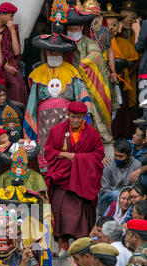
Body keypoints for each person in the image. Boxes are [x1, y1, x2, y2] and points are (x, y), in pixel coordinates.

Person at [24, 17, 93, 160]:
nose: (54, 54)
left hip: (67, 120)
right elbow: (31, 105)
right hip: (44, 123)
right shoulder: (38, 73)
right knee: (47, 154)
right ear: (45, 52)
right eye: (50, 51)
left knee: (67, 152)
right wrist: (28, 134)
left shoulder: (72, 72)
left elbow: (82, 97)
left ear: (63, 53)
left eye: (57, 51)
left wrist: (86, 118)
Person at [42, 101, 104, 257]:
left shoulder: (92, 134)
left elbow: (98, 155)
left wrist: (76, 158)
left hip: (83, 180)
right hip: (62, 178)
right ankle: (63, 246)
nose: (76, 121)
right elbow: (49, 151)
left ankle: (81, 247)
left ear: (85, 117)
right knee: (60, 211)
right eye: (74, 117)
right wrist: (64, 155)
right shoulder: (57, 131)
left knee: (81, 215)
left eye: (80, 118)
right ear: (68, 115)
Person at [64, 0, 113, 143]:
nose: (73, 32)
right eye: (70, 30)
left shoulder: (87, 42)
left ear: (81, 27)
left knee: (90, 109)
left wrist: (81, 66)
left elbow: (96, 54)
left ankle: (92, 136)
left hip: (85, 83)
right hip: (66, 83)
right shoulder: (63, 42)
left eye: (76, 29)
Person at [102, 4, 139, 139]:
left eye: (114, 25)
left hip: (121, 81)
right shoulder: (98, 43)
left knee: (120, 111)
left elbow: (134, 59)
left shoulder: (124, 42)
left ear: (119, 27)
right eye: (107, 25)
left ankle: (121, 136)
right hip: (103, 81)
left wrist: (125, 65)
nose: (111, 28)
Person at [0, 2, 28, 106]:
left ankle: (20, 115)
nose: (12, 19)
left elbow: (17, 52)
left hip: (11, 62)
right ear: (1, 15)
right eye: (11, 16)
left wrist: (12, 31)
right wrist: (4, 66)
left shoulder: (11, 28)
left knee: (20, 88)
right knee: (13, 87)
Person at [99, 138, 142, 215]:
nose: (117, 158)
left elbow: (135, 187)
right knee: (115, 194)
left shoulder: (136, 165)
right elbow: (104, 188)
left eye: (121, 156)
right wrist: (120, 196)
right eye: (116, 155)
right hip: (108, 199)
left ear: (129, 156)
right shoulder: (108, 164)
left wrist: (124, 197)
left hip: (127, 200)